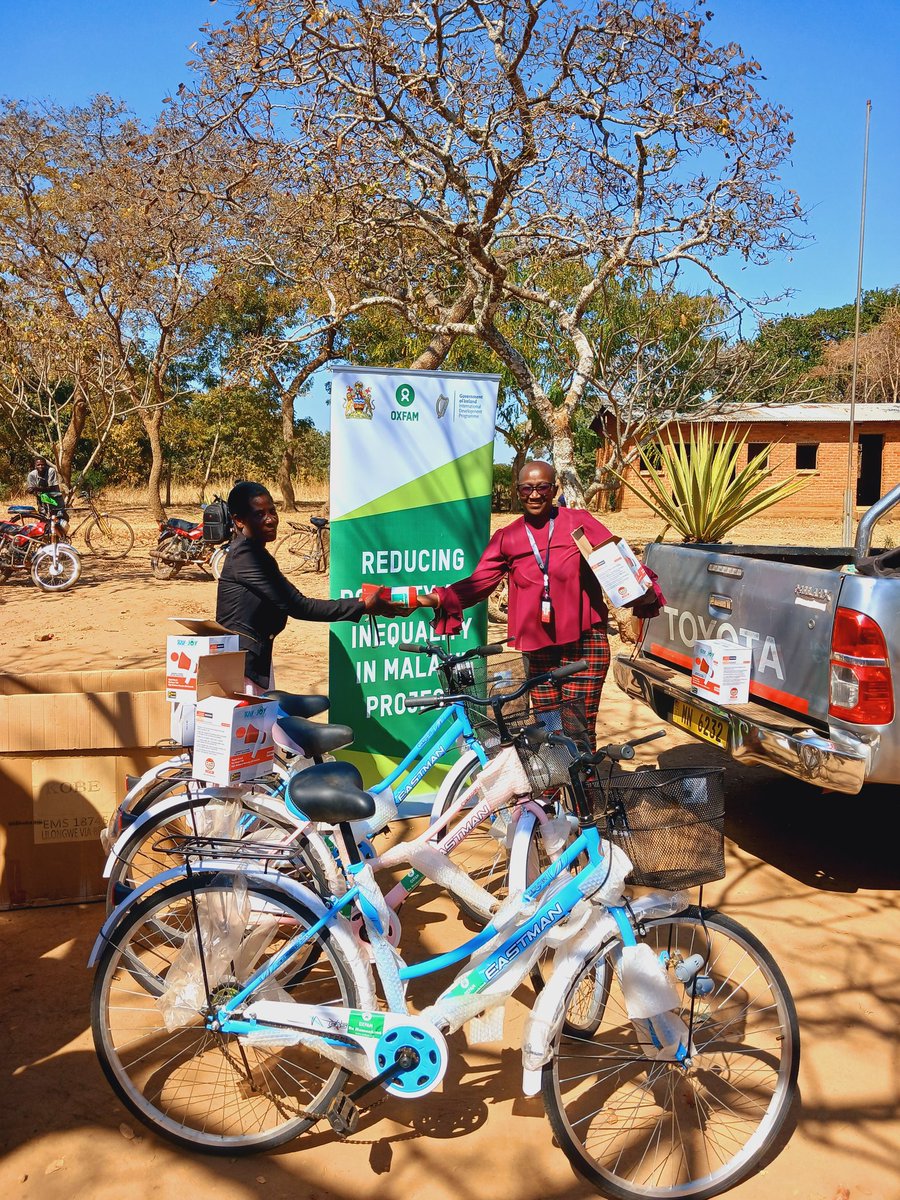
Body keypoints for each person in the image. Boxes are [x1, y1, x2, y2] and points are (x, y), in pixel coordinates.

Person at [418, 461, 664, 750]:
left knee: (577, 729)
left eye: (542, 487)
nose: (534, 494)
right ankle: (553, 795)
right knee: (548, 730)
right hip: (540, 649)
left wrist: (642, 589)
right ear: (518, 491)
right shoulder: (507, 537)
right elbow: (479, 583)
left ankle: (581, 792)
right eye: (527, 488)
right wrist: (434, 598)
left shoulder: (577, 522)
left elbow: (617, 562)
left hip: (584, 645)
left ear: (554, 489)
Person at [216, 481, 404, 692]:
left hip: (251, 662)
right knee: (263, 725)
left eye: (272, 511)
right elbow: (299, 605)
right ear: (239, 521)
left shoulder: (253, 552)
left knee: (270, 723)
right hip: (241, 669)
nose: (270, 520)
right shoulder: (247, 556)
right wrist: (363, 605)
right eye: (259, 514)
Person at [26, 455, 68, 528]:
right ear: (35, 466)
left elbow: (51, 488)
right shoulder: (31, 475)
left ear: (46, 465)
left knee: (61, 517)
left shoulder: (51, 471)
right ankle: (46, 536)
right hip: (41, 499)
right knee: (43, 518)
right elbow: (31, 489)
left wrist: (35, 488)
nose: (41, 466)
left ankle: (61, 536)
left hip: (55, 498)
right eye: (38, 465)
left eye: (43, 465)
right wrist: (30, 490)